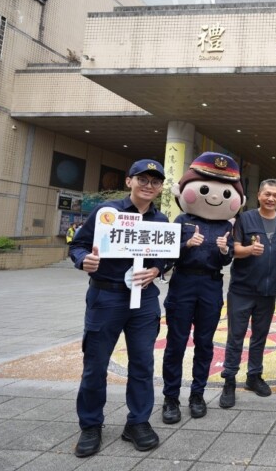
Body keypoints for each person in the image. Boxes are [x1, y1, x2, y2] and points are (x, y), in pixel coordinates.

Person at [68, 159, 169, 458]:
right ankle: (90, 425)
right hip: (106, 297)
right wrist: (83, 259)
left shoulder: (160, 221)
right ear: (129, 181)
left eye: (155, 181)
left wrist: (156, 270)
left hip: (145, 299)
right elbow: (77, 245)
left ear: (161, 187)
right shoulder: (107, 213)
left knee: (142, 365)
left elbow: (165, 256)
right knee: (96, 364)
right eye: (143, 179)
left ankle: (137, 423)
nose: (149, 185)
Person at [161, 153, 243, 424]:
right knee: (176, 342)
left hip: (210, 284)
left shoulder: (226, 226)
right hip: (183, 282)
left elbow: (227, 258)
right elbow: (166, 256)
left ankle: (197, 393)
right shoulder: (181, 222)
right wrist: (185, 246)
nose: (214, 197)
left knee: (205, 343)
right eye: (205, 189)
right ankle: (170, 397)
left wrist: (223, 251)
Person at [219, 179, 276, 407]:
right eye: (267, 194)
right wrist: (250, 250)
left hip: (268, 292)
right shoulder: (245, 218)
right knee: (236, 336)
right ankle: (229, 380)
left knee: (260, 336)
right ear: (259, 195)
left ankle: (254, 376)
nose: (271, 199)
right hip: (242, 289)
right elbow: (234, 249)